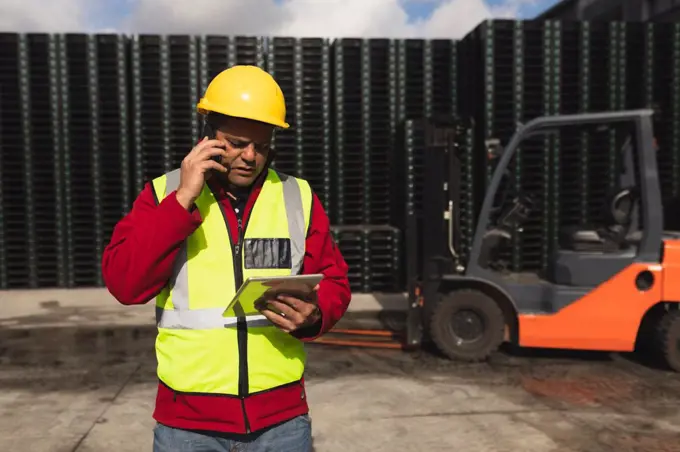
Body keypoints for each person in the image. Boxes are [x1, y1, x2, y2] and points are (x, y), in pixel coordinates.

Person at [101, 65, 351, 452]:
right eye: (235, 142)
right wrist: (182, 200)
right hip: (186, 426)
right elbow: (124, 284)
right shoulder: (164, 193)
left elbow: (334, 281)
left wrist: (316, 315)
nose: (250, 157)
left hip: (280, 423)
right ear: (207, 136)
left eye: (262, 146)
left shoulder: (298, 197)